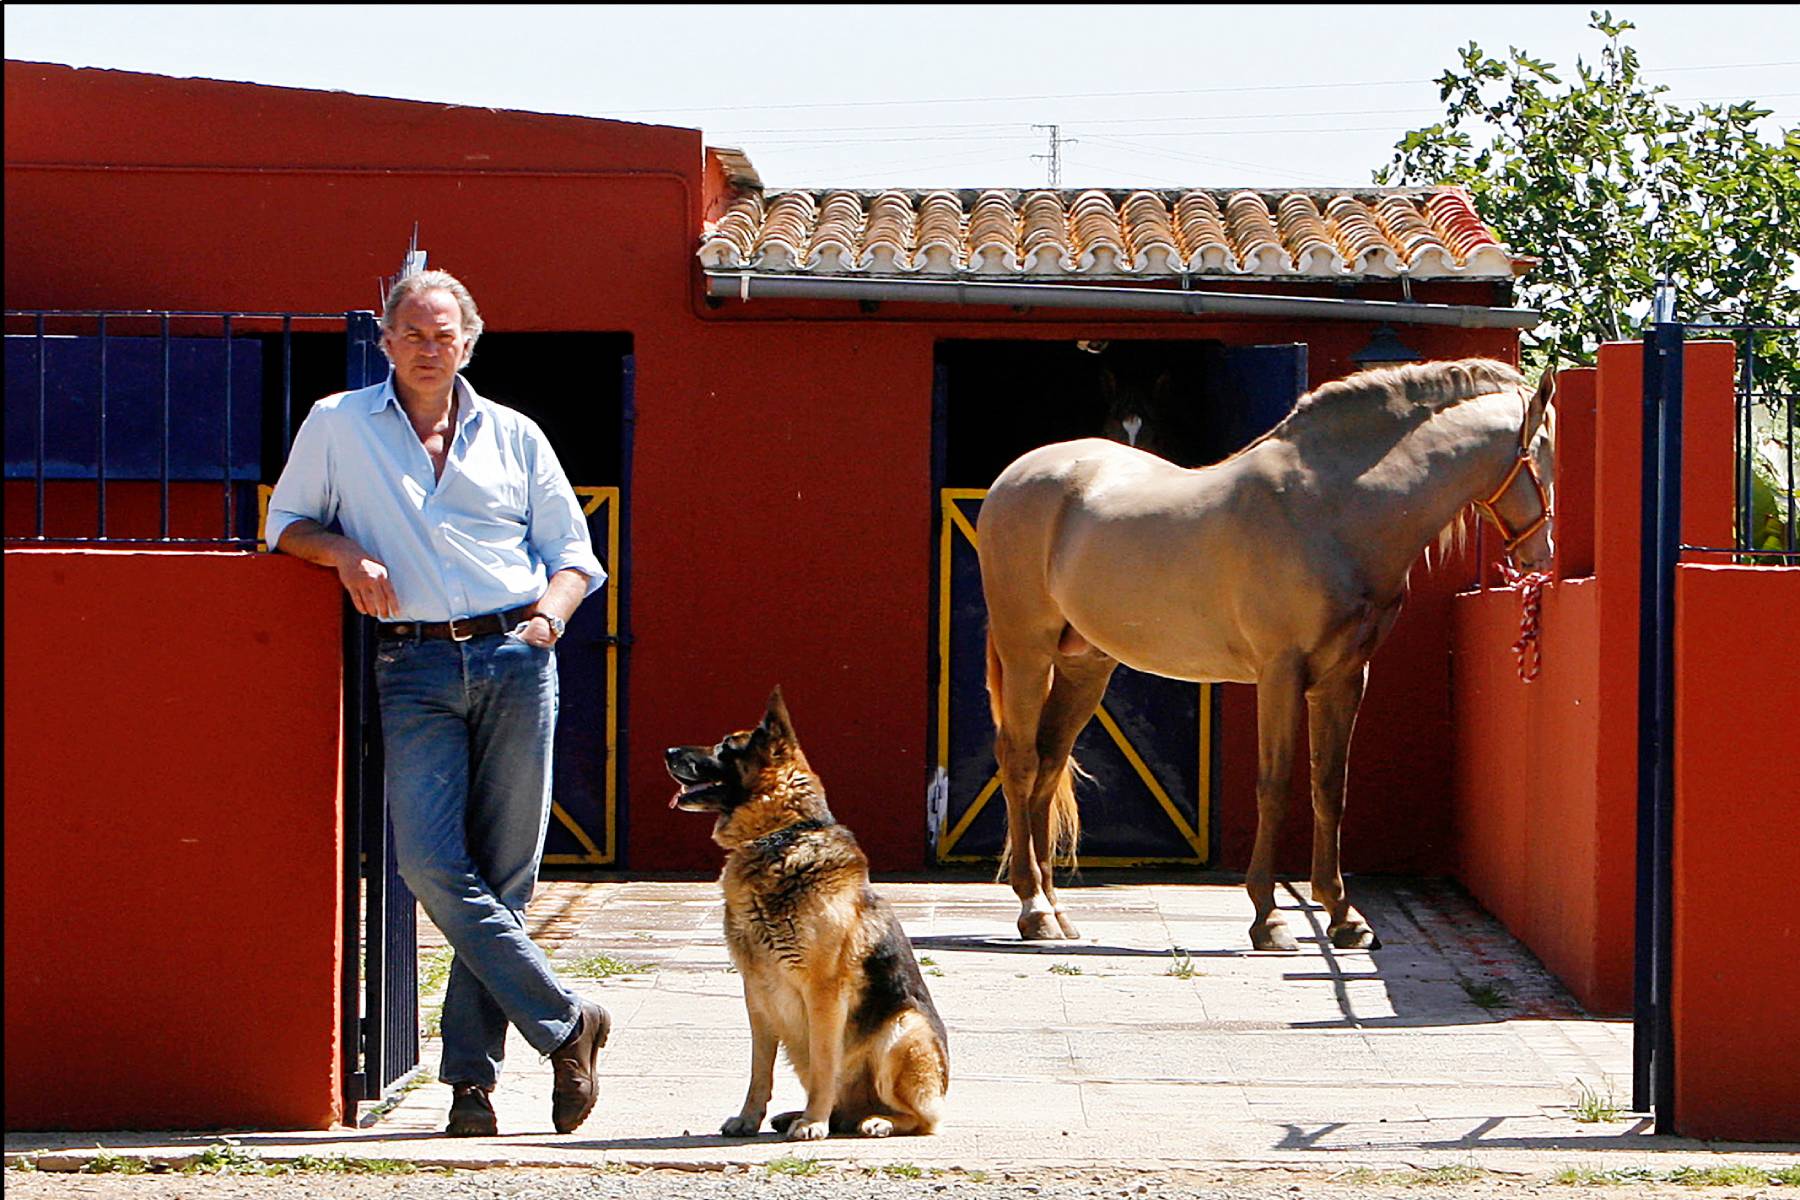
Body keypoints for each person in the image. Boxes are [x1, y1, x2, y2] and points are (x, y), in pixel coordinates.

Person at [265, 269, 610, 1138]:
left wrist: (547, 621)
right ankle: (568, 1022)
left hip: (515, 657)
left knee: (504, 877)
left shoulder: (516, 434)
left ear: (470, 341)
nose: (429, 347)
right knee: (429, 866)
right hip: (411, 666)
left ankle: (470, 1089)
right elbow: (287, 523)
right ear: (385, 342)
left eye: (444, 333)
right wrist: (343, 553)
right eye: (412, 333)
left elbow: (574, 554)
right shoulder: (338, 424)